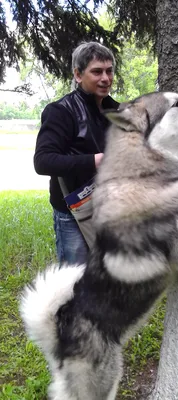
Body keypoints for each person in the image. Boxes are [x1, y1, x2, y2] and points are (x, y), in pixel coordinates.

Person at [34, 42, 119, 265]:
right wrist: (95, 160)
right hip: (73, 214)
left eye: (109, 71)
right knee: (75, 280)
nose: (105, 78)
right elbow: (43, 161)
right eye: (97, 71)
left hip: (111, 208)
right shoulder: (61, 111)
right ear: (78, 75)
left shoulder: (117, 111)